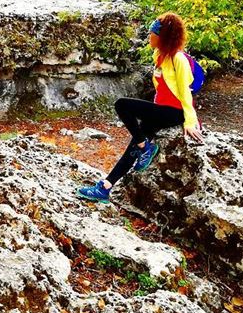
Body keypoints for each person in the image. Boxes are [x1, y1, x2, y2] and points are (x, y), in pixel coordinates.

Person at [77, 12, 203, 203]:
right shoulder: (159, 55)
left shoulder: (179, 59)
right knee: (134, 145)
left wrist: (191, 122)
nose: (149, 37)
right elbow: (161, 87)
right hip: (160, 108)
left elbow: (185, 93)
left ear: (163, 37)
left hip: (174, 112)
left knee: (122, 105)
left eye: (152, 33)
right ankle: (105, 187)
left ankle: (145, 147)